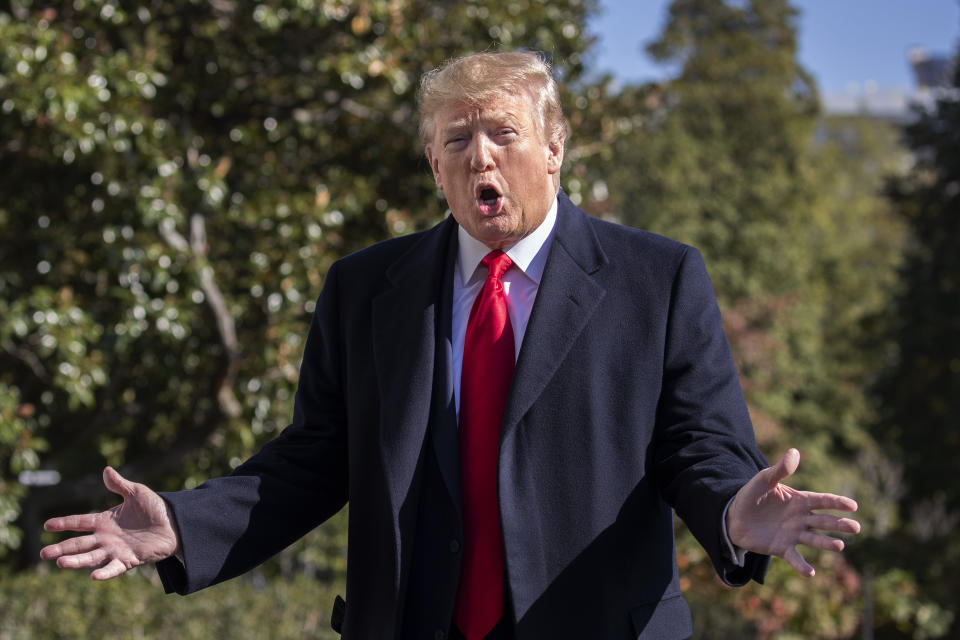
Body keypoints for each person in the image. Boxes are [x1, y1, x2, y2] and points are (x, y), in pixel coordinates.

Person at [41, 51, 860, 640]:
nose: (482, 159)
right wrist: (185, 525)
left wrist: (731, 511)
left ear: (556, 147)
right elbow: (313, 461)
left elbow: (698, 447)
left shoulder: (660, 278)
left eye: (503, 133)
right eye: (457, 142)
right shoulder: (365, 289)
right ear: (434, 165)